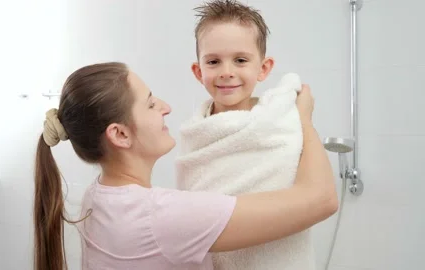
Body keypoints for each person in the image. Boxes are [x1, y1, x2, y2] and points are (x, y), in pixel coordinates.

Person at [33, 62, 337, 270]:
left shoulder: (96, 198)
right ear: (120, 134)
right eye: (151, 104)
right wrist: (304, 119)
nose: (166, 107)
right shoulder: (163, 216)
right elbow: (322, 200)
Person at [176, 1, 320, 269]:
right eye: (213, 61)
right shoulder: (194, 135)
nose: (226, 71)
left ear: (263, 68)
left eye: (240, 60)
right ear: (198, 71)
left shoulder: (282, 121)